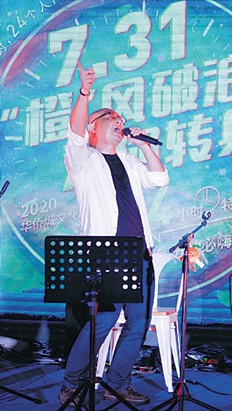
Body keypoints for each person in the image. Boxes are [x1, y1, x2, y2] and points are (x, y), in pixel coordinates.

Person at [58, 62, 169, 407]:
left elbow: (160, 178)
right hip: (106, 255)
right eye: (111, 118)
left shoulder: (129, 162)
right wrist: (85, 92)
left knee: (138, 323)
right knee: (103, 321)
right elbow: (75, 132)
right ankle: (72, 383)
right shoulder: (84, 162)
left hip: (140, 254)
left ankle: (117, 382)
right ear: (94, 127)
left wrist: (144, 145)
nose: (119, 122)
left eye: (121, 119)